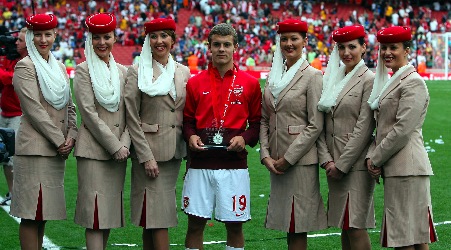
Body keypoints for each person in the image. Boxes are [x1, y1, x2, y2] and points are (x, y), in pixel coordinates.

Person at [182, 23, 262, 250]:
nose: (221, 49)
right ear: (209, 47)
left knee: (235, 226)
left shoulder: (251, 83)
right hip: (199, 165)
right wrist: (190, 137)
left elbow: (256, 124)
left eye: (227, 44)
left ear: (235, 47)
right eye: (216, 44)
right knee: (195, 225)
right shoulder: (195, 82)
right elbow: (187, 122)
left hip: (234, 167)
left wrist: (244, 139)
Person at [10, 14, 78, 250]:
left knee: (43, 213)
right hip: (35, 149)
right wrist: (61, 140)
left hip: (55, 150)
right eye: (37, 34)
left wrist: (72, 135)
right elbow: (34, 110)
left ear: (55, 36)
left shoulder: (59, 66)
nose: (43, 39)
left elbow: (70, 105)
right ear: (30, 36)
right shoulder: (24, 66)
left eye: (47, 34)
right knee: (31, 213)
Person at [366, 26, 438, 249]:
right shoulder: (395, 79)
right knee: (413, 235)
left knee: (404, 237)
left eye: (393, 47)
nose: (387, 52)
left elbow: (402, 130)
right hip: (401, 166)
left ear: (407, 50)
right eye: (384, 47)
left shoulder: (412, 81)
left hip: (407, 166)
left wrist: (375, 158)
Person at [259, 19, 327, 250]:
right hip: (276, 161)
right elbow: (265, 118)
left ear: (305, 42)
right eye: (284, 39)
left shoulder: (313, 76)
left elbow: (315, 124)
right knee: (287, 223)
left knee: (298, 223)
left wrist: (288, 159)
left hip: (299, 162)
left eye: (294, 39)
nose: (289, 44)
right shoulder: (274, 76)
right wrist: (265, 154)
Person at [124, 18, 190, 250]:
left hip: (175, 153)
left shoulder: (184, 71)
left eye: (164, 36)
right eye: (154, 36)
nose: (159, 41)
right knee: (156, 215)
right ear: (148, 40)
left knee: (151, 217)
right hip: (149, 153)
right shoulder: (137, 71)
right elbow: (131, 116)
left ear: (173, 40)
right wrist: (145, 156)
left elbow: (185, 113)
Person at [72, 13, 130, 249]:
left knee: (107, 215)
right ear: (90, 40)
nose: (102, 42)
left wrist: (125, 143)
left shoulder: (123, 72)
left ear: (115, 38)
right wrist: (115, 146)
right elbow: (88, 113)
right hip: (94, 151)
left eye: (107, 37)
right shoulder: (83, 70)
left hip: (119, 152)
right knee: (94, 215)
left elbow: (130, 114)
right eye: (97, 38)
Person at [316, 25, 376, 250]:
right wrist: (327, 160)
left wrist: (340, 165)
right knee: (345, 223)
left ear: (363, 47)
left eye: (352, 46)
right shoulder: (333, 77)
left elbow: (364, 128)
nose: (346, 52)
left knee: (355, 225)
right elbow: (322, 125)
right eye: (341, 47)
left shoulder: (369, 79)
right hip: (333, 163)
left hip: (355, 165)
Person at [0, 27, 28, 206]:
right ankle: (12, 192)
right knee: (4, 157)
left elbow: (9, 78)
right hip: (5, 111)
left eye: (20, 40)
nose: (15, 42)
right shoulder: (10, 58)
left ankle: (19, 194)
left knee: (13, 158)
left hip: (18, 113)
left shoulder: (27, 62)